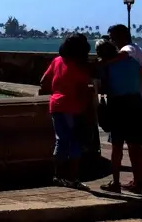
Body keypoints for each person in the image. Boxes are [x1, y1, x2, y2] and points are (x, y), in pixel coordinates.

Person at [108, 24, 142, 190]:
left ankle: (140, 181)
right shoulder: (138, 48)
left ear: (119, 37)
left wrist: (101, 63)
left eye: (111, 38)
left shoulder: (127, 49)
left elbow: (124, 56)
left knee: (136, 143)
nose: (111, 41)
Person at [95, 38, 142, 193]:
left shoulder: (106, 66)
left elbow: (103, 86)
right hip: (136, 103)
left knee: (117, 145)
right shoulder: (132, 61)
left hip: (118, 105)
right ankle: (140, 180)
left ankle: (116, 182)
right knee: (135, 145)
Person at [40, 34, 93, 188]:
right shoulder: (79, 66)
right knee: (74, 142)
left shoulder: (57, 61)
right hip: (73, 107)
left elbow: (44, 81)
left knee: (61, 140)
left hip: (56, 105)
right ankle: (72, 178)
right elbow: (83, 89)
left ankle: (57, 176)